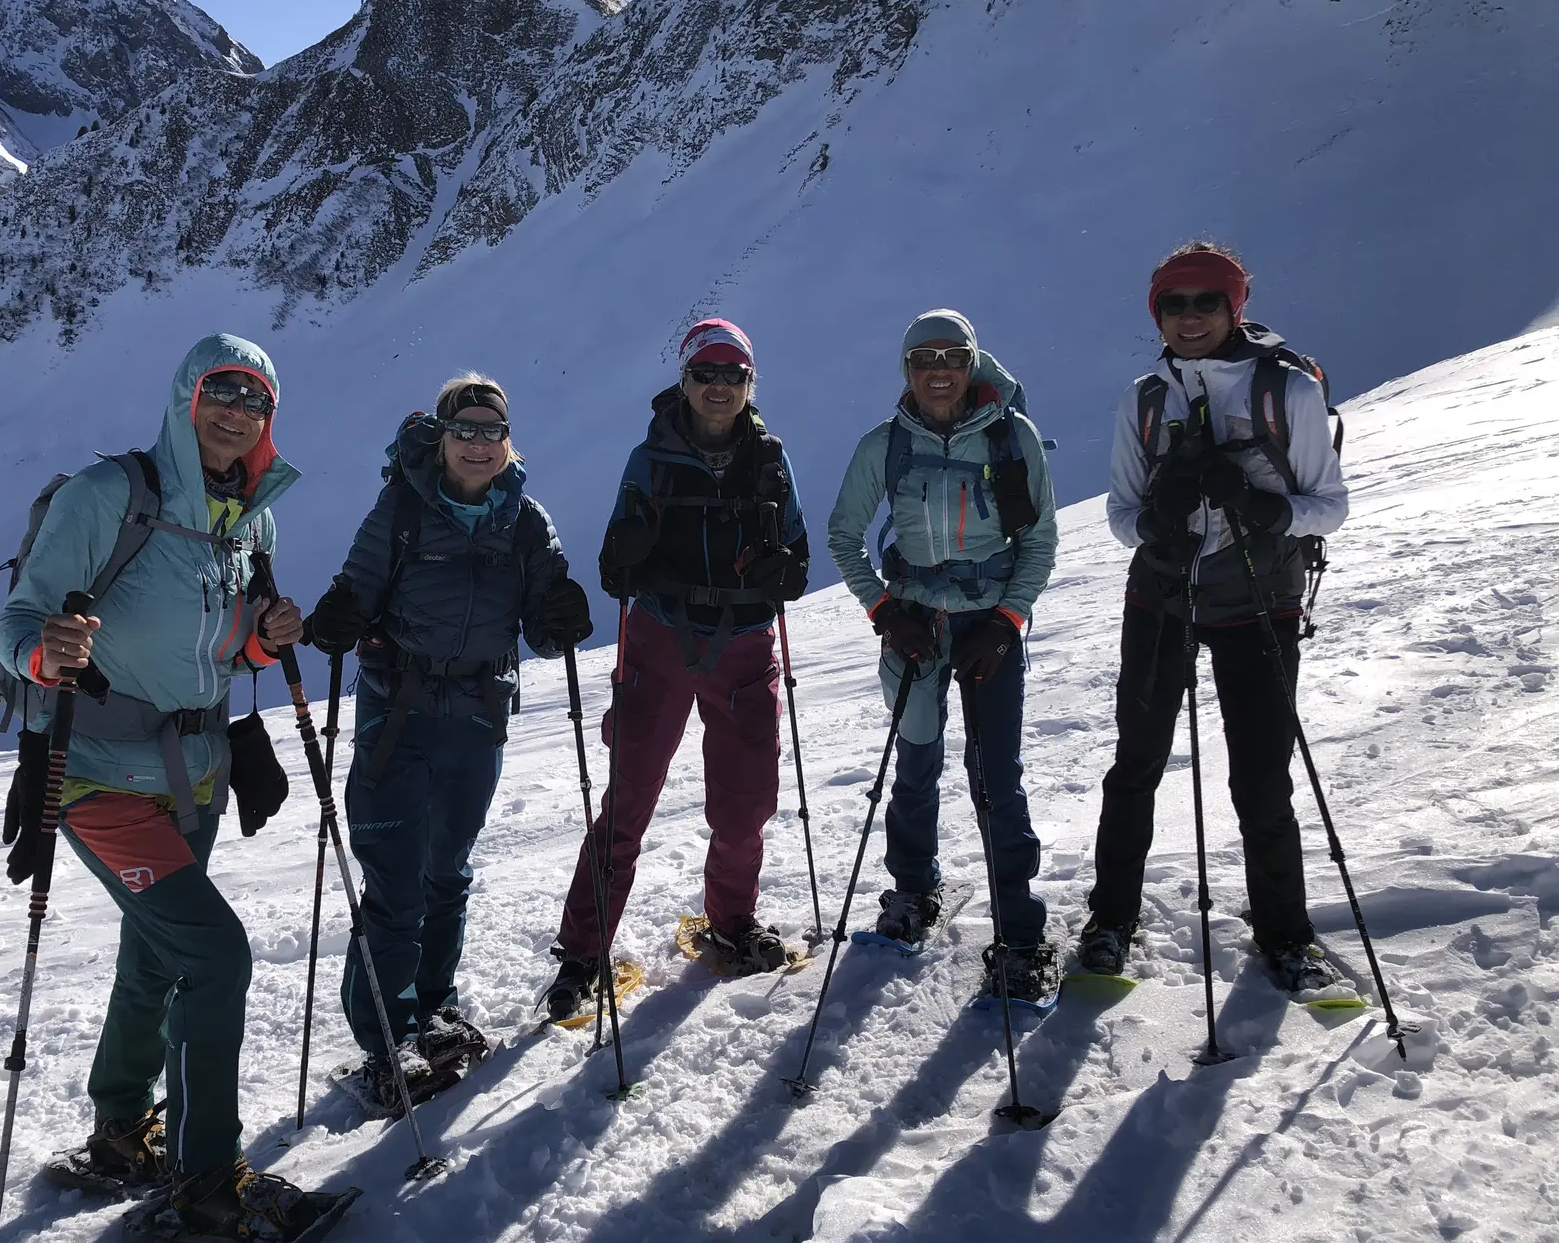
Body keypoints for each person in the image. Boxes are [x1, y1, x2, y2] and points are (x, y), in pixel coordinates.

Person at [0, 334, 348, 1243]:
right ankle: (205, 1189)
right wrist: (44, 653)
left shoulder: (252, 518)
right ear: (186, 396)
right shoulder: (108, 495)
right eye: (221, 391)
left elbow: (219, 656)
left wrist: (266, 642)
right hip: (98, 777)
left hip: (197, 777)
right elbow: (17, 619)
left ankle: (119, 1133)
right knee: (216, 954)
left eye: (256, 399)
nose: (238, 411)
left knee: (159, 952)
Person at [305, 373, 591, 1108]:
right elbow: (360, 583)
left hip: (478, 711)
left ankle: (434, 1008)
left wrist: (558, 612)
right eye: (464, 430)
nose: (478, 444)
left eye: (492, 432)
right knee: (396, 880)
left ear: (508, 442)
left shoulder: (527, 521)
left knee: (448, 872)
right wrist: (340, 610)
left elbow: (540, 613)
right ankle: (386, 1037)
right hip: (395, 711)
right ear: (441, 437)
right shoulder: (401, 508)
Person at [1079, 242, 1348, 991]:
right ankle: (1110, 920)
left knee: (1261, 775)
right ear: (1156, 314)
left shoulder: (1286, 391)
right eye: (1174, 303)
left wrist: (1263, 508)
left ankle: (1286, 934)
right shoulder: (1143, 399)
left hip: (1259, 598)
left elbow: (1331, 505)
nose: (1189, 317)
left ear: (1237, 306)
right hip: (1162, 596)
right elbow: (1120, 512)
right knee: (1136, 764)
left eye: (1206, 302)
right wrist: (1156, 525)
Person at [544, 319, 810, 1019]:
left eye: (732, 375)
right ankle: (582, 951)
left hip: (743, 644)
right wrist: (625, 555)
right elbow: (612, 567)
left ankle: (731, 921)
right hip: (661, 638)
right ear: (685, 380)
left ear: (750, 383)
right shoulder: (651, 459)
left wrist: (786, 570)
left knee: (745, 803)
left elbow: (798, 556)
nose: (718, 387)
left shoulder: (771, 460)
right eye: (706, 374)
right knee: (627, 802)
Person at [826, 309, 1061, 1000]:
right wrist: (884, 611)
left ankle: (1020, 932)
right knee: (915, 761)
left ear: (971, 363)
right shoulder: (885, 447)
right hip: (917, 626)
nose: (938, 369)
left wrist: (1006, 622)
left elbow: (1040, 541)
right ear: (907, 369)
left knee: (995, 778)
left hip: (988, 625)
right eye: (924, 357)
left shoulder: (1011, 439)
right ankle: (912, 890)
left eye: (952, 356)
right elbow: (845, 535)